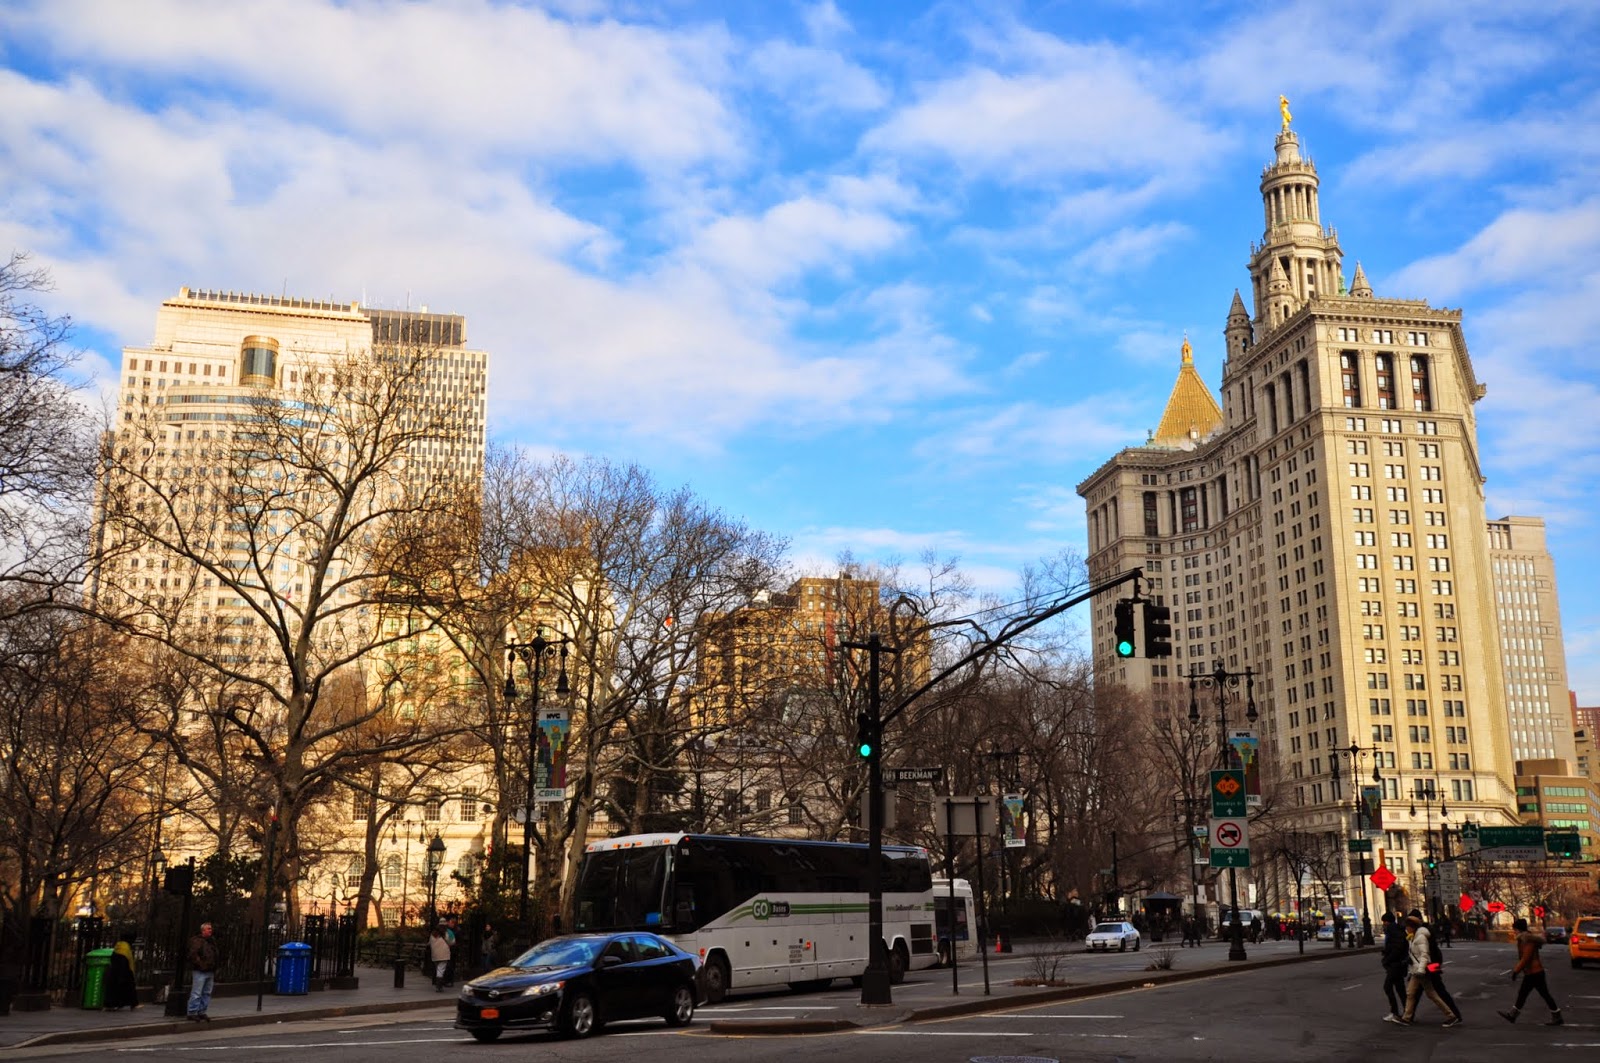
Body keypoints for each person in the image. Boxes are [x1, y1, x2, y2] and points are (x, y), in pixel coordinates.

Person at [1396, 913, 1459, 1027]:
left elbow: (1425, 955)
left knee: (1431, 994)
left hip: (1422, 970)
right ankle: (1407, 1017)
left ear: (1412, 927)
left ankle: (1451, 1016)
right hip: (1417, 970)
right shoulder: (1412, 937)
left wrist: (1420, 970)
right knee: (1412, 993)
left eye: (1407, 926)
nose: (1406, 929)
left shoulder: (1420, 937)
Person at [1499, 917, 1563, 1025]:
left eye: (1515, 929)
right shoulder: (1525, 939)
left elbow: (1526, 958)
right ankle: (1556, 1016)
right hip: (1533, 972)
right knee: (1530, 994)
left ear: (1519, 929)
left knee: (1535, 994)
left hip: (1535, 972)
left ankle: (1513, 1015)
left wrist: (1516, 971)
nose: (1514, 931)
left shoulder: (1527, 940)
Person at [1379, 913, 1409, 1023]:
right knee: (1400, 989)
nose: (1383, 924)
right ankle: (1408, 1011)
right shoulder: (1397, 930)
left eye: (1384, 921)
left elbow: (1397, 947)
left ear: (1387, 921)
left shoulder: (1393, 931)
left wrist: (1387, 959)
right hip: (1398, 964)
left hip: (1395, 964)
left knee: (1388, 987)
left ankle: (1395, 1011)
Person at [186, 923, 218, 1021]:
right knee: (197, 992)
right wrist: (201, 965)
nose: (210, 930)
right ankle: (192, 1012)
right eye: (208, 929)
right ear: (203, 930)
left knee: (206, 992)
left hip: (210, 970)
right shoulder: (197, 941)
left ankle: (201, 1011)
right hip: (200, 970)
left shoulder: (211, 941)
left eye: (210, 929)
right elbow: (193, 955)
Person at [104, 937, 139, 1011]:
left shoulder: (117, 948)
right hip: (125, 973)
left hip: (114, 973)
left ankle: (112, 1004)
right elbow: (128, 962)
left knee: (113, 989)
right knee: (129, 988)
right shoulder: (126, 949)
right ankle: (132, 1004)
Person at [429, 926, 451, 991]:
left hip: (435, 955)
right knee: (441, 970)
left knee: (438, 969)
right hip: (444, 954)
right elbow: (450, 942)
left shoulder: (432, 935)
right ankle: (439, 986)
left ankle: (438, 985)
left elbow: (429, 943)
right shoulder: (444, 935)